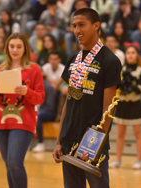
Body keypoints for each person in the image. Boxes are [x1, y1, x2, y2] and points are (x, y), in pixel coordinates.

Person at [52, 8, 121, 188]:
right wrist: (59, 140)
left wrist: (92, 147)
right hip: (69, 141)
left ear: (96, 25)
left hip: (92, 145)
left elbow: (108, 111)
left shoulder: (110, 61)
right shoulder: (72, 59)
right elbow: (68, 101)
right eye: (74, 26)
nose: (77, 30)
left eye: (81, 25)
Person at [0, 33, 45, 188]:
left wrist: (27, 92)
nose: (15, 50)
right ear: (7, 49)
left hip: (23, 121)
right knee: (9, 166)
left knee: (14, 163)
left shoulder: (34, 70)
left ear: (25, 49)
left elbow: (40, 98)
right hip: (1, 122)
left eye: (19, 46)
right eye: (12, 46)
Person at [109, 45, 141, 169]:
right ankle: (118, 160)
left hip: (135, 105)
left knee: (138, 134)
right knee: (120, 134)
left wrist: (132, 82)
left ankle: (139, 160)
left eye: (133, 52)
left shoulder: (140, 71)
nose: (130, 55)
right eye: (128, 52)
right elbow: (116, 87)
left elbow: (140, 90)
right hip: (122, 105)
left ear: (137, 56)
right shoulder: (121, 69)